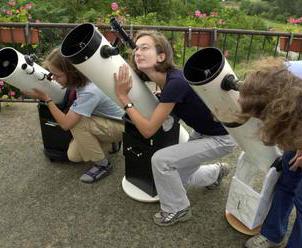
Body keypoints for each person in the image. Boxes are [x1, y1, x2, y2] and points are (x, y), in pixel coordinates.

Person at [114, 30, 236, 226]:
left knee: (162, 161)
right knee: (176, 182)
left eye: (144, 48)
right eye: (136, 48)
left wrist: (124, 99)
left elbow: (147, 131)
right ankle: (216, 173)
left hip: (222, 138)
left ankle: (177, 209)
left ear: (161, 56)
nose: (137, 52)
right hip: (204, 133)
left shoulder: (175, 82)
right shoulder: (166, 81)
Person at [239, 58, 302, 248]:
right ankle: (272, 234)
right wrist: (300, 147)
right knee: (287, 177)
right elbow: (296, 127)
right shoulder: (276, 78)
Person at [25, 48, 125, 183]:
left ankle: (103, 165)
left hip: (122, 126)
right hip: (105, 119)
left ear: (71, 73)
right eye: (51, 74)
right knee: (74, 156)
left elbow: (66, 124)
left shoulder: (89, 91)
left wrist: (46, 98)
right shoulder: (82, 79)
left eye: (57, 75)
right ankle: (110, 143)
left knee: (78, 123)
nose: (54, 78)